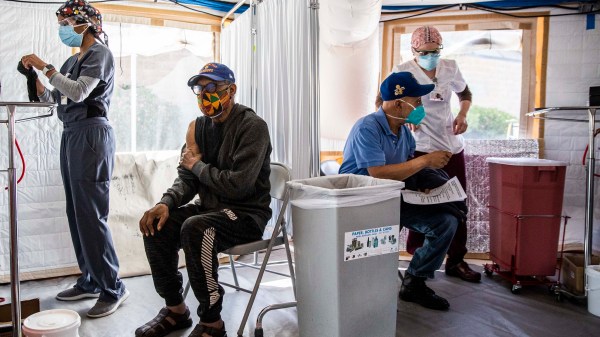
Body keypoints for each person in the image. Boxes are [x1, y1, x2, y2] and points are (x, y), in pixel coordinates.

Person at [136, 63, 272, 337]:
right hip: (211, 209)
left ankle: (212, 322)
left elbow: (239, 186)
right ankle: (175, 310)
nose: (204, 96)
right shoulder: (198, 128)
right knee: (157, 224)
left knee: (196, 228)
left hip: (245, 214)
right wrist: (166, 202)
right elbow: (187, 179)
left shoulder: (252, 127)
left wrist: (198, 166)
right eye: (200, 90)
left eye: (213, 88)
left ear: (231, 90)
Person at [19, 0, 128, 318]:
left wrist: (45, 66)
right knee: (76, 212)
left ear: (83, 22)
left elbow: (79, 93)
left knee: (91, 214)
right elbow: (56, 98)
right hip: (71, 133)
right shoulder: (72, 61)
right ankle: (91, 280)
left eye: (65, 23)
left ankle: (112, 287)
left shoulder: (100, 55)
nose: (62, 30)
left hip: (92, 135)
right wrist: (36, 80)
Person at [339, 72, 461, 311]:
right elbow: (378, 174)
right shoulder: (367, 128)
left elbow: (405, 169)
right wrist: (425, 162)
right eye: (416, 101)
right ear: (398, 103)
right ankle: (363, 284)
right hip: (363, 202)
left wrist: (426, 184)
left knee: (446, 220)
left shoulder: (405, 132)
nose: (420, 107)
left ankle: (415, 281)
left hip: (392, 198)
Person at [393, 26, 480, 283]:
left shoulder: (449, 67)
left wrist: (463, 114)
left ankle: (456, 260)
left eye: (435, 52)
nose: (431, 56)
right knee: (419, 202)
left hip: (450, 145)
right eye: (425, 52)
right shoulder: (402, 71)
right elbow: (384, 103)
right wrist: (407, 115)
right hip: (419, 146)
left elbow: (465, 93)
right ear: (414, 50)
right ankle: (420, 257)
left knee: (457, 204)